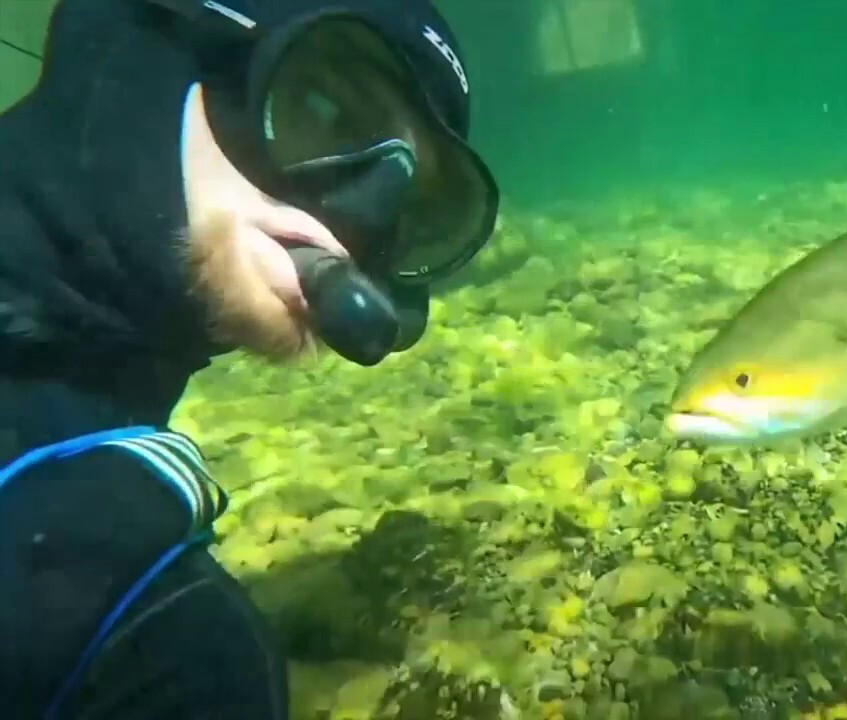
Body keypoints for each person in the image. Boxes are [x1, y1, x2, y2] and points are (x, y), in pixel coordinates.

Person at [0, 0, 499, 717]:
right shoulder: (173, 651)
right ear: (149, 38)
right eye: (325, 107)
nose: (352, 226)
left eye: (416, 205)